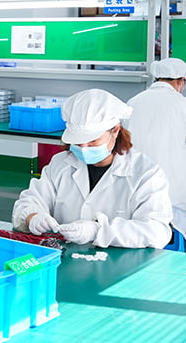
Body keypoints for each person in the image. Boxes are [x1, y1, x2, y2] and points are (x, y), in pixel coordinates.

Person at [12, 89, 172, 248]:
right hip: (66, 257)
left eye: (93, 141)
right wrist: (32, 216)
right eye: (77, 142)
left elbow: (156, 231)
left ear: (115, 130)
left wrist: (99, 230)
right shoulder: (61, 164)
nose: (83, 148)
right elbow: (28, 202)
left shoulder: (146, 173)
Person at [126, 58, 186, 244]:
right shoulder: (182, 105)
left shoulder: (134, 102)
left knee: (141, 234)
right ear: (181, 81)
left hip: (136, 182)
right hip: (174, 188)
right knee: (174, 232)